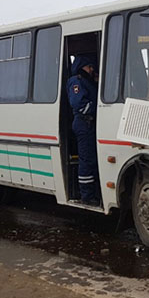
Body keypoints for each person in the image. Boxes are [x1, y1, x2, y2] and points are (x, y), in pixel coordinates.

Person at [67, 55, 100, 206]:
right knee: (86, 160)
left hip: (90, 124)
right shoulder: (76, 81)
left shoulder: (88, 81)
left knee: (92, 159)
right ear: (82, 66)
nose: (91, 69)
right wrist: (98, 108)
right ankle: (87, 196)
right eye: (89, 67)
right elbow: (80, 104)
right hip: (83, 123)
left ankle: (94, 192)